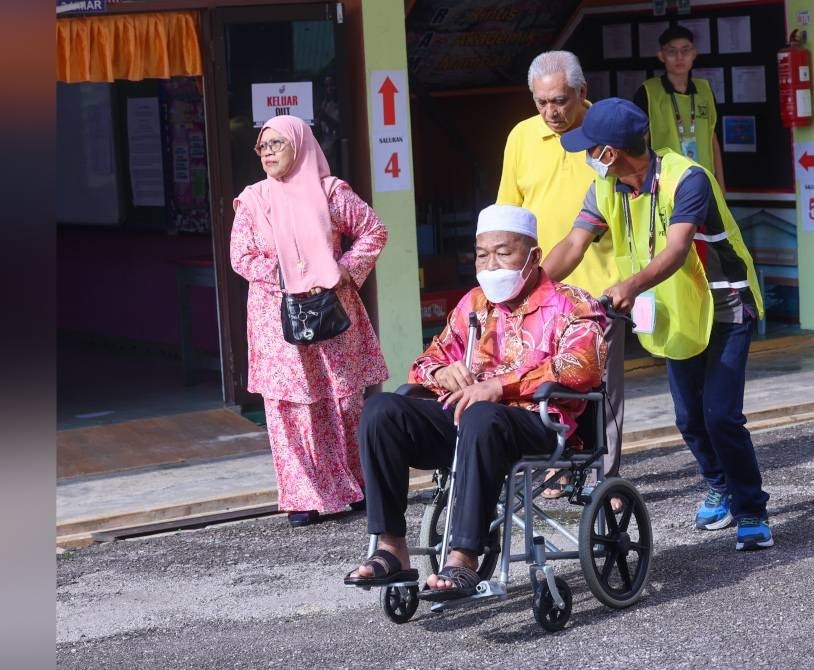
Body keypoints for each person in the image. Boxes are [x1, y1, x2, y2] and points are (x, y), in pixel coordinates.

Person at [344, 204, 607, 598]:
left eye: (504, 253)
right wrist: (439, 373)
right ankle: (391, 548)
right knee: (382, 410)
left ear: (533, 257)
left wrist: (499, 386)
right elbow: (426, 361)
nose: (491, 264)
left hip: (538, 423)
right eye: (482, 255)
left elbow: (581, 367)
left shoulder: (573, 304)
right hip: (469, 423)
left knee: (483, 414)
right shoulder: (473, 305)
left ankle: (464, 559)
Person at [544, 97, 772, 551]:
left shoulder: (688, 180)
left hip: (724, 301)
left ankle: (751, 509)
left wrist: (628, 285)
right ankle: (719, 484)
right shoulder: (605, 187)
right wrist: (528, 290)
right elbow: (573, 245)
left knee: (721, 416)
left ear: (609, 153)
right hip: (675, 307)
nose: (585, 155)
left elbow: (676, 250)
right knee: (689, 417)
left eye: (590, 147)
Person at [230, 114, 389, 527]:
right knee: (291, 406)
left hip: (332, 311)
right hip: (275, 320)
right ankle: (304, 497)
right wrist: (292, 276)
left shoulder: (331, 193)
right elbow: (242, 256)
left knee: (345, 401)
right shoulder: (253, 201)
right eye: (262, 147)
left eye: (275, 144)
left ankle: (353, 488)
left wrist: (343, 271)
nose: (266, 153)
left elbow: (374, 230)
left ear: (299, 146)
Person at [497, 50, 625, 503]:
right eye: (541, 102)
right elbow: (508, 216)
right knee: (546, 381)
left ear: (582, 93)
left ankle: (605, 478)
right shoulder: (521, 137)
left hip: (601, 282)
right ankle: (554, 467)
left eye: (560, 101)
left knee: (603, 386)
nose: (551, 112)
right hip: (543, 288)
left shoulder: (608, 131)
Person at [633, 24, 726, 191]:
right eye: (672, 51)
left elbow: (713, 140)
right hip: (666, 184)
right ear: (661, 56)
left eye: (685, 50)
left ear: (694, 53)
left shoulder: (704, 90)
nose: (679, 57)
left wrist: (721, 187)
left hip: (705, 180)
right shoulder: (648, 92)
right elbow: (640, 143)